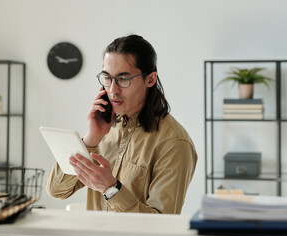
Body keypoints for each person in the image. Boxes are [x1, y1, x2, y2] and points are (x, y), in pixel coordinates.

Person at [46, 35, 197, 214]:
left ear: (150, 79)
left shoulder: (174, 143)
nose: (112, 90)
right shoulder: (104, 128)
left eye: (123, 79)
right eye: (107, 78)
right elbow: (57, 191)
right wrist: (91, 139)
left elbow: (161, 224)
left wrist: (111, 189)